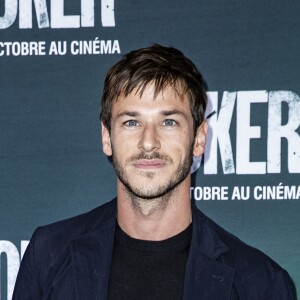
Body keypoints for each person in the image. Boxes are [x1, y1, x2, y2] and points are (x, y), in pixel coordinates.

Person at [13, 44, 295, 300]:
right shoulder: (48, 255)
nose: (149, 142)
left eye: (169, 122)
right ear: (106, 137)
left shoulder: (260, 284)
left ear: (198, 138)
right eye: (132, 122)